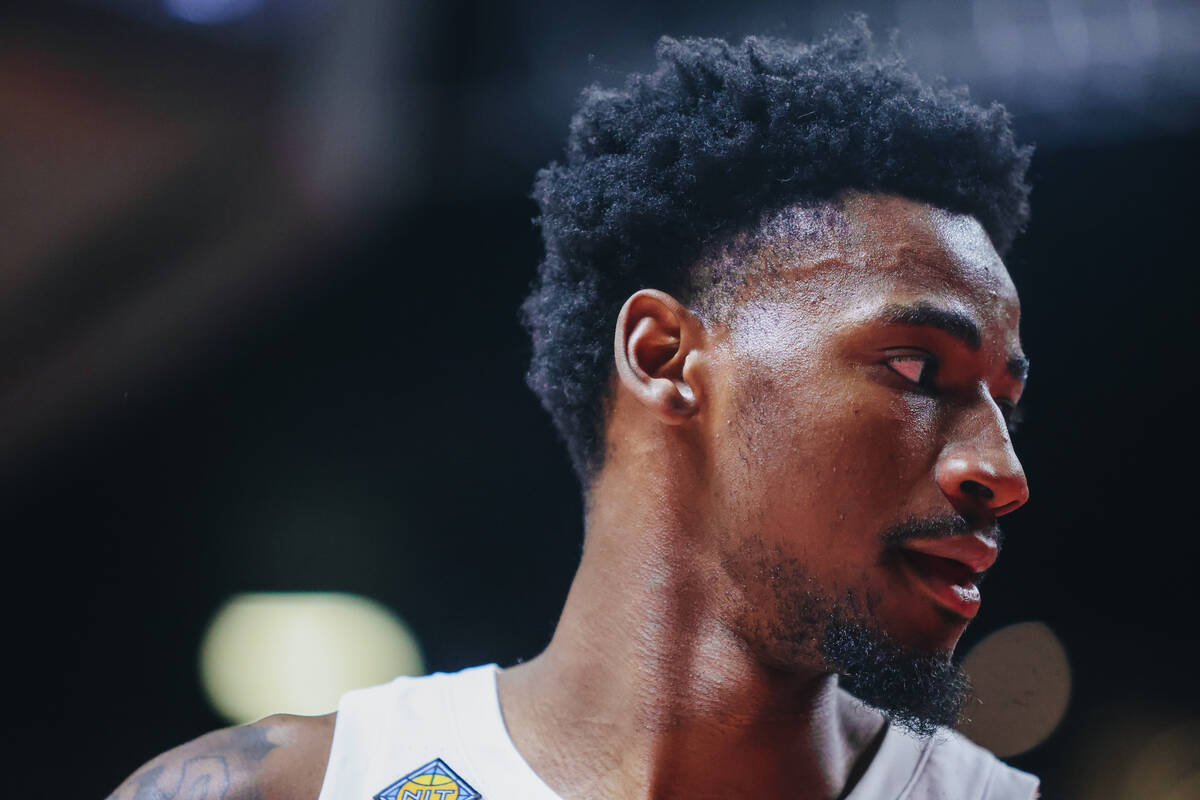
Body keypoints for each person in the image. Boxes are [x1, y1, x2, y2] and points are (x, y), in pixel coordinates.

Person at [109, 18, 1040, 800]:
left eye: (1005, 400)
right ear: (664, 358)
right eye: (919, 369)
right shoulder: (289, 788)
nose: (1002, 474)